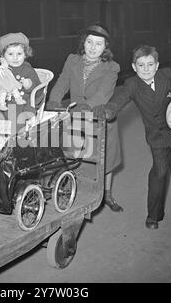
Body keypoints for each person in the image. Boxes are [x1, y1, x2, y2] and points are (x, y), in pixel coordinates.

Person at [93, 45, 171, 229]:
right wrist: (108, 111)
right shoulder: (132, 84)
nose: (146, 69)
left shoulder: (167, 76)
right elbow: (119, 100)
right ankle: (154, 215)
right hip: (157, 138)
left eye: (150, 64)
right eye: (141, 65)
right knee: (159, 173)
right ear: (134, 67)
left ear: (157, 65)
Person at [46, 23, 123, 212]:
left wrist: (87, 105)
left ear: (105, 47)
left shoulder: (112, 67)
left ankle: (107, 195)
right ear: (84, 42)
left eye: (98, 44)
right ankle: (74, 191)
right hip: (76, 117)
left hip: (100, 117)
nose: (93, 47)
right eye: (89, 42)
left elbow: (104, 93)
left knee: (106, 161)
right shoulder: (72, 60)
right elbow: (62, 82)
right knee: (75, 156)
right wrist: (54, 100)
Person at [0, 32, 41, 169]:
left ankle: (15, 151)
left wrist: (29, 84)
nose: (15, 58)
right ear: (2, 56)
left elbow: (38, 88)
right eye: (10, 54)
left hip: (20, 106)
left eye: (19, 54)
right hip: (0, 107)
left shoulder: (27, 69)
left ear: (26, 54)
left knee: (17, 118)